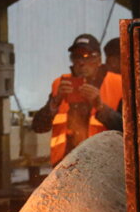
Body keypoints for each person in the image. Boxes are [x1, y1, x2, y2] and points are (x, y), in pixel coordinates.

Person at [32, 34, 123, 166]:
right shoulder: (60, 84)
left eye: (87, 56)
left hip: (103, 167)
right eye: (76, 56)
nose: (81, 62)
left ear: (98, 59)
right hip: (65, 165)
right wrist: (55, 102)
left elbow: (128, 129)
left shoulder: (118, 84)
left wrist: (101, 107)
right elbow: (38, 127)